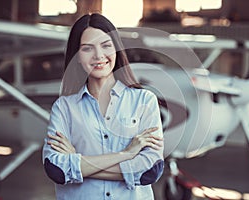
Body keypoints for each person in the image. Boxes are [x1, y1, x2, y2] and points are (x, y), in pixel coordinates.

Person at [42, 13, 164, 200]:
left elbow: (149, 170)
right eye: (87, 48)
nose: (98, 55)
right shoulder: (64, 108)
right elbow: (56, 169)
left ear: (116, 48)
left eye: (106, 45)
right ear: (77, 56)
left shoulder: (144, 101)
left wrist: (78, 162)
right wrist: (127, 154)